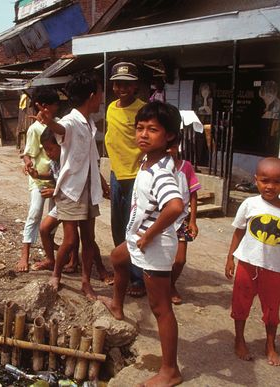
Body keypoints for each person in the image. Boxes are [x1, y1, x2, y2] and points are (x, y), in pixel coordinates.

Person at [101, 101, 184, 386]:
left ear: (169, 135)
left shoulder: (161, 171)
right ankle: (117, 305)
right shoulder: (149, 160)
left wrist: (148, 235)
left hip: (154, 247)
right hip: (138, 240)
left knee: (160, 309)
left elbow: (174, 206)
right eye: (140, 128)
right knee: (117, 258)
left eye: (152, 130)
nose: (143, 135)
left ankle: (170, 371)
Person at [34, 72, 110, 299]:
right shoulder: (72, 120)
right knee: (70, 240)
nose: (102, 99)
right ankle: (56, 273)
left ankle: (86, 282)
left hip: (89, 189)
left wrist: (103, 183)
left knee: (88, 239)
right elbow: (61, 129)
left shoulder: (88, 124)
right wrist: (50, 122)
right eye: (100, 94)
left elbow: (91, 158)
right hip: (70, 191)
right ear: (91, 96)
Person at [225, 157, 280, 366]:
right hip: (247, 265)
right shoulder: (249, 204)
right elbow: (239, 232)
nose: (270, 186)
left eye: (277, 182)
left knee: (272, 310)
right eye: (265, 180)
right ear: (256, 179)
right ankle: (239, 339)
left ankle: (270, 345)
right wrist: (230, 258)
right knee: (240, 305)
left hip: (272, 269)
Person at [105, 61, 148, 297]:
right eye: (118, 83)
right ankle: (122, 270)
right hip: (116, 174)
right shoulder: (111, 108)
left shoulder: (144, 110)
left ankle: (138, 277)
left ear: (135, 87)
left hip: (136, 175)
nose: (122, 88)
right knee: (118, 226)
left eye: (127, 84)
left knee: (136, 227)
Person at [16, 88, 61, 272]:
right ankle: (24, 254)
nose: (57, 108)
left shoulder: (59, 125)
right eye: (54, 105)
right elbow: (28, 153)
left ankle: (49, 251)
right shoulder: (35, 129)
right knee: (35, 213)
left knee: (54, 218)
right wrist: (28, 165)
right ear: (43, 107)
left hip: (56, 180)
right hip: (39, 180)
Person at [30, 128, 79, 273]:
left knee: (71, 233)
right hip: (61, 202)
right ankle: (51, 259)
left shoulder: (69, 161)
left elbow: (73, 184)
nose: (48, 153)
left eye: (50, 149)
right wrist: (37, 175)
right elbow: (52, 175)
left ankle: (74, 260)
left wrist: (54, 192)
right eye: (45, 150)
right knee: (44, 228)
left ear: (60, 146)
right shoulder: (54, 161)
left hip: (72, 201)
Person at [169, 140, 201, 304]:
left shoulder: (186, 167)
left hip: (181, 220)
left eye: (173, 146)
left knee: (180, 260)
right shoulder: (155, 168)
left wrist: (193, 221)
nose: (169, 150)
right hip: (161, 221)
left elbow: (193, 194)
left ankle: (170, 284)